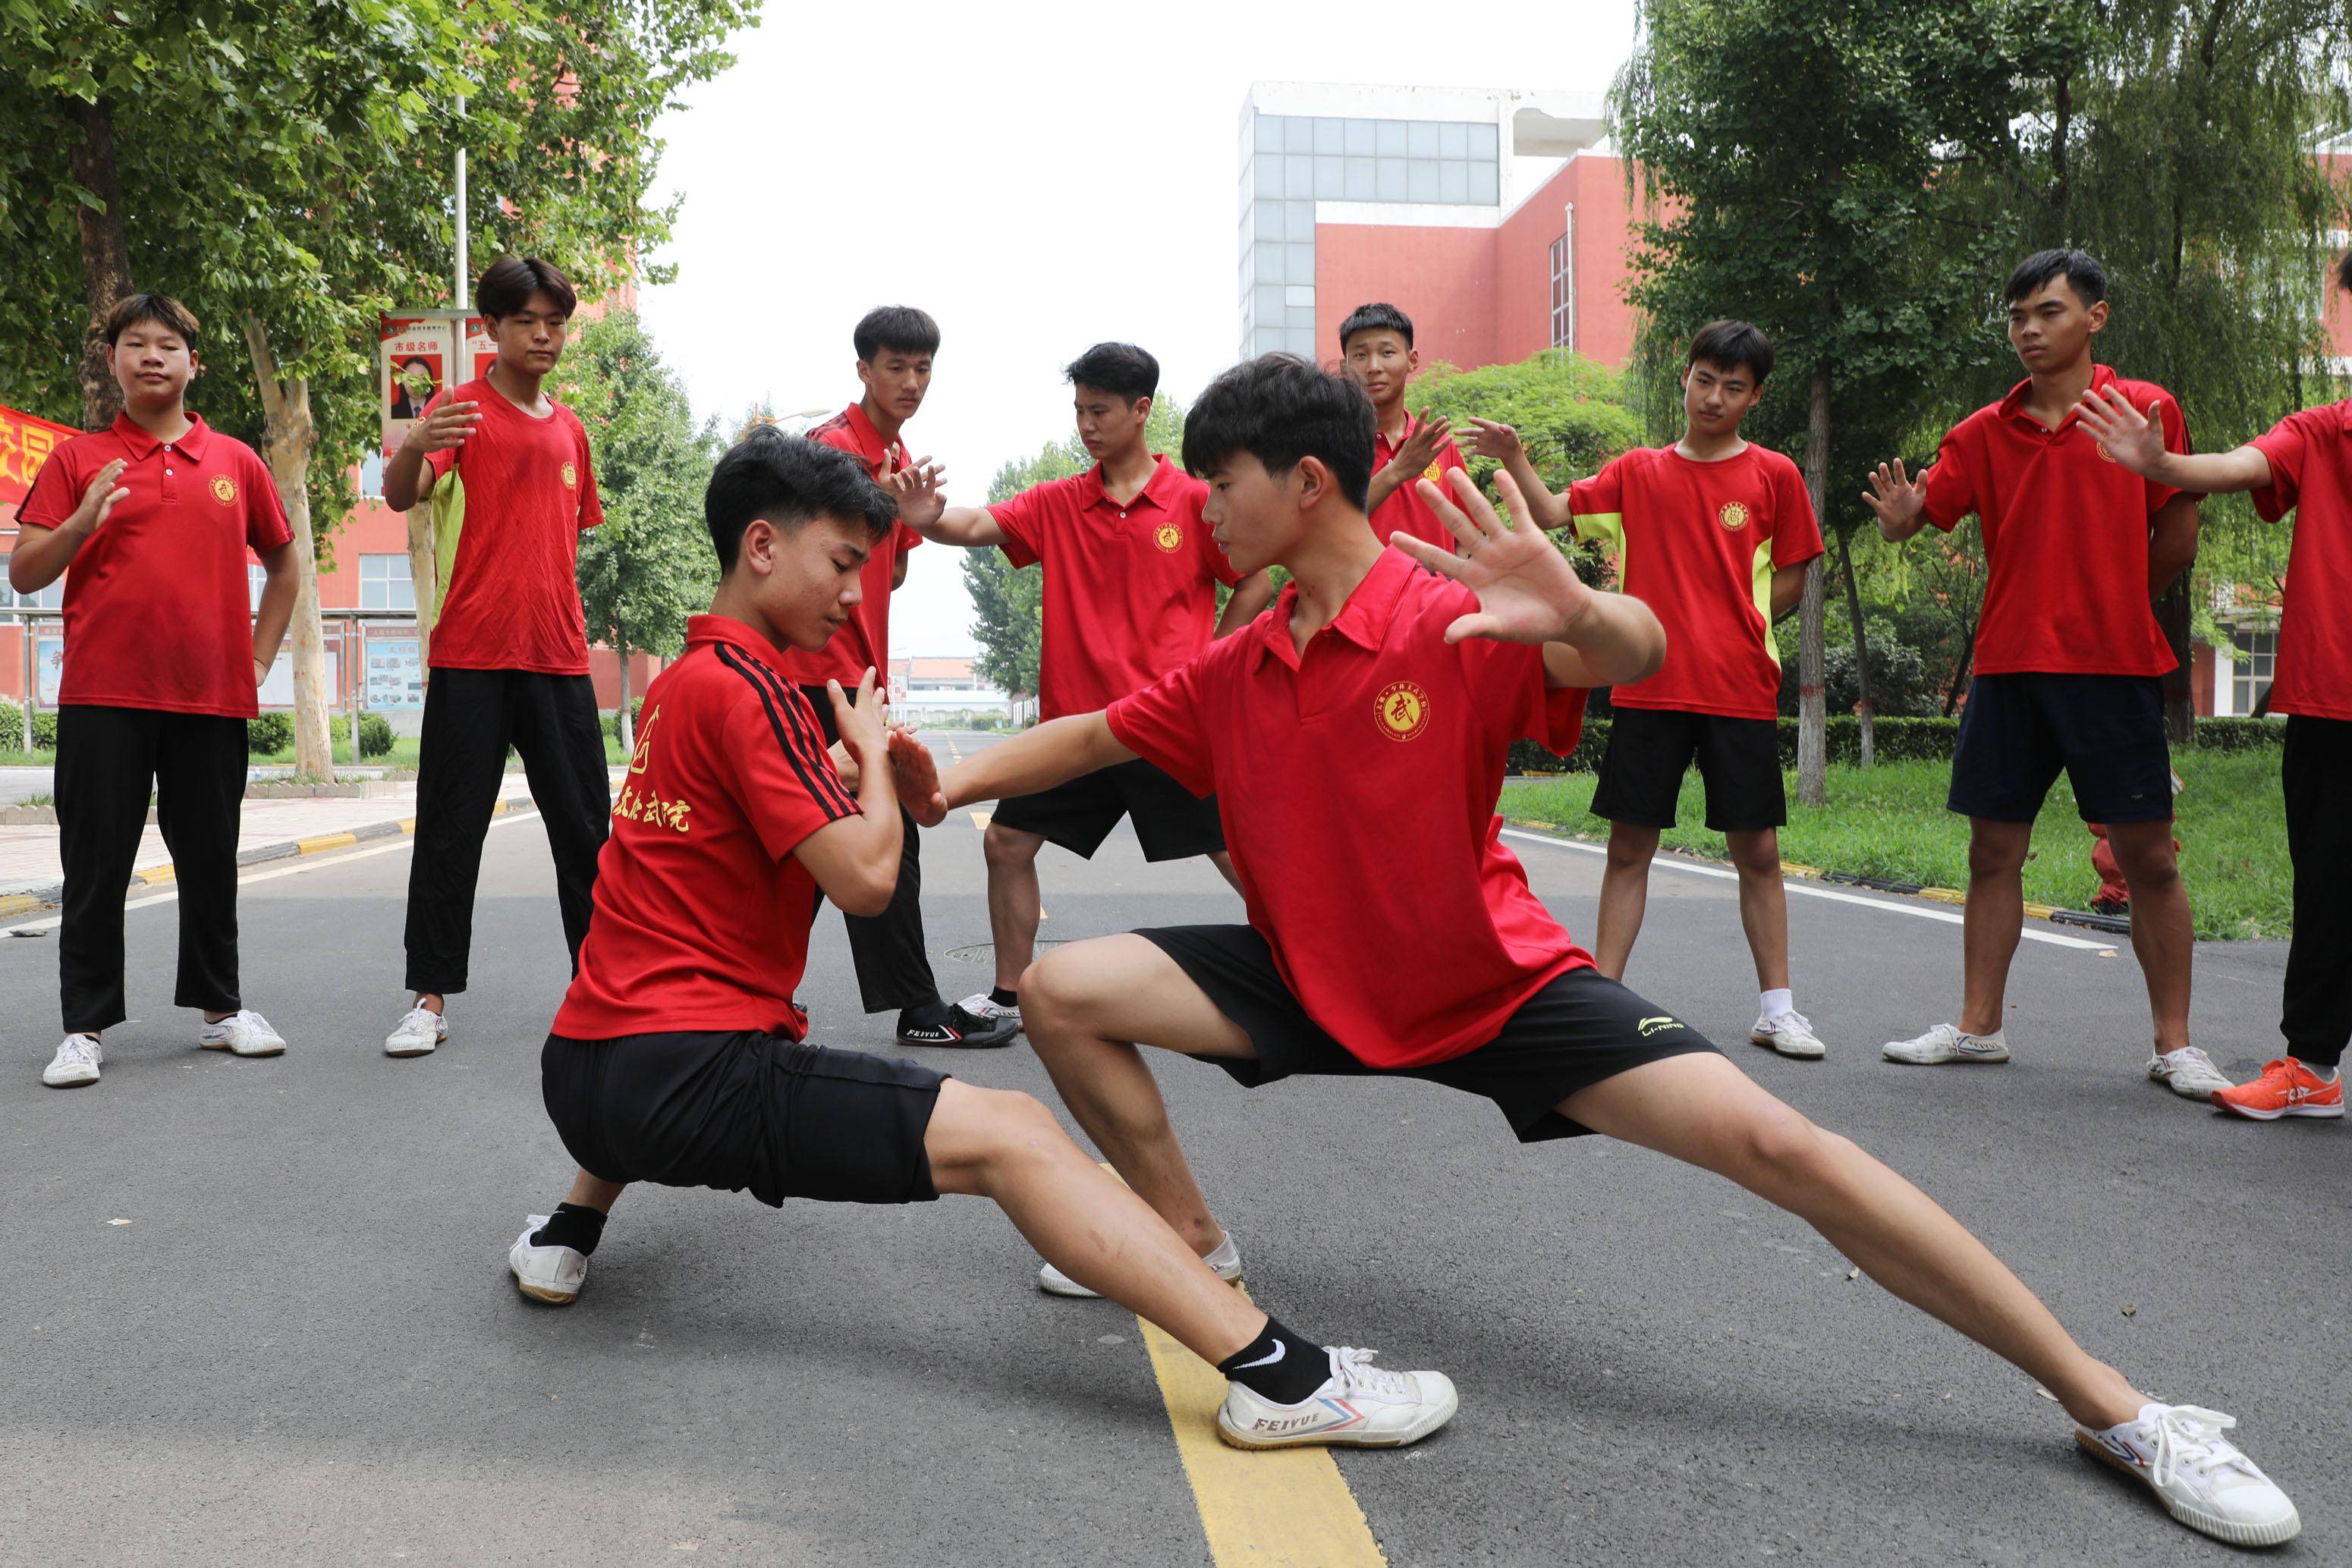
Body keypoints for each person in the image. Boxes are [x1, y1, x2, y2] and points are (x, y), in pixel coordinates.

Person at [903, 354, 2300, 1548]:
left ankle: (2119, 1407)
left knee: (1794, 1154)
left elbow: (1625, 649)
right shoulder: (1248, 653)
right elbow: (1091, 736)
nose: (1205, 505)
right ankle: (1195, 1240)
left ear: (1304, 484)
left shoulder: (1453, 611)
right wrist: (944, 783)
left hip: (1490, 987)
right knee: (1068, 988)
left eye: (1224, 481)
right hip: (1313, 978)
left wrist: (1577, 608)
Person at [507, 428, 1454, 1455]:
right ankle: (1281, 1376)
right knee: (1016, 1134)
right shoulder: (755, 692)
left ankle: (569, 1223)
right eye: (840, 564)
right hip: (689, 1077)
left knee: (667, 1007)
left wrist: (871, 773)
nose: (850, 595)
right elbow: (870, 882)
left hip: (585, 1079)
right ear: (762, 547)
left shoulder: (683, 685)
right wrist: (870, 757)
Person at [1864, 249, 2230, 1100]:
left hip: (2111, 668)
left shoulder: (2142, 410)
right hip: (2008, 667)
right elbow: (1920, 519)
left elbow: (2176, 537)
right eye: (2016, 317)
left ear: (2094, 317)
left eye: (2048, 313)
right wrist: (1899, 522)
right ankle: (1977, 1029)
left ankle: (2174, 1046)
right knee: (1993, 851)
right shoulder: (1983, 430)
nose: (2028, 330)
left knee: (2147, 858)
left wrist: (2110, 602)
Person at [886, 342, 1274, 1042]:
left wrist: (1218, 651)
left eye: (1099, 411)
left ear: (1141, 410)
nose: (1086, 425)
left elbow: (1258, 576)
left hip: (1167, 723)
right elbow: (973, 525)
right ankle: (1009, 997)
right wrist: (923, 518)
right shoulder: (1062, 501)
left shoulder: (1192, 500)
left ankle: (1308, 961)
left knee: (1237, 849)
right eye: (1079, 411)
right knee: (1006, 842)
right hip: (1075, 732)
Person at [1460, 321, 1826, 1057]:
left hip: (1735, 688)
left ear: (1754, 396)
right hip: (1645, 686)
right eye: (1703, 379)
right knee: (1629, 848)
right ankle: (1604, 998)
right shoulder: (1636, 472)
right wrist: (1514, 457)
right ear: (1683, 378)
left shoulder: (1773, 476)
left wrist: (1742, 619)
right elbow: (1554, 513)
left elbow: (1792, 571)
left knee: (1756, 851)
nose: (1713, 397)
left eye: (1732, 386)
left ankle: (1777, 1010)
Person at [2074, 251, 2352, 1121]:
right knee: (2329, 887)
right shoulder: (2322, 433)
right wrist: (2160, 465)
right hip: (2335, 705)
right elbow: (2238, 467)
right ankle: (2310, 1065)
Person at [11, 294, 299, 1087]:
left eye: (167, 345)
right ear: (113, 363)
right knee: (96, 862)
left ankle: (222, 1010)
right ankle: (84, 1030)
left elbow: (284, 564)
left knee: (210, 857)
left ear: (192, 363)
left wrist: (261, 657)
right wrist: (81, 522)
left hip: (210, 695)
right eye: (134, 344)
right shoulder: (78, 460)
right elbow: (27, 570)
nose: (151, 357)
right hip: (104, 694)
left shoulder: (237, 461)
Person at [379, 257, 611, 1058]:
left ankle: (603, 991)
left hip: (558, 660)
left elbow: (559, 545)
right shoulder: (460, 410)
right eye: (527, 321)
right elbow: (400, 494)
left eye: (555, 322)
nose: (543, 335)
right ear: (493, 329)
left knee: (587, 834)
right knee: (450, 832)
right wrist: (414, 444)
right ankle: (429, 1000)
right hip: (472, 655)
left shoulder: (571, 429)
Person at [787, 306, 1013, 1050]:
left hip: (858, 682)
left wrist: (903, 513)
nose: (911, 382)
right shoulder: (830, 448)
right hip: (810, 679)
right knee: (825, 845)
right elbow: (813, 548)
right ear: (863, 370)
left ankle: (910, 1008)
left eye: (922, 369)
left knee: (855, 846)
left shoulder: (899, 452)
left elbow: (898, 567)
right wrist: (884, 504)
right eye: (896, 367)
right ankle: (911, 1010)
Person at [1341, 303, 1468, 552]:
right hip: (1364, 592)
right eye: (1360, 355)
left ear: (1412, 360)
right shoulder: (1332, 444)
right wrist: (1398, 470)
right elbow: (1328, 523)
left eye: (1387, 353)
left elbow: (1465, 534)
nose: (1373, 366)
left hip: (1436, 591)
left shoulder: (1438, 444)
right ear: (1345, 368)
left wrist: (1458, 585)